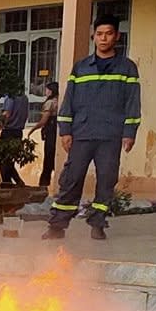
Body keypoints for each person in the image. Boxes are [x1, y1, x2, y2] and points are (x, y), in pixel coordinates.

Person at [45, 20, 140, 243]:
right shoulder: (81, 67)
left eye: (108, 34)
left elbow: (132, 102)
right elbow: (68, 101)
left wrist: (130, 131)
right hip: (82, 132)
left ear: (117, 36)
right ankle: (57, 225)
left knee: (106, 180)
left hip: (111, 134)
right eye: (99, 34)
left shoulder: (127, 68)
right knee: (71, 178)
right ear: (93, 37)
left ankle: (97, 223)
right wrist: (65, 130)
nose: (104, 38)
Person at [0, 85, 32, 187]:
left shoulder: (11, 97)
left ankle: (7, 183)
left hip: (8, 131)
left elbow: (6, 114)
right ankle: (18, 182)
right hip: (18, 132)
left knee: (3, 160)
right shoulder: (25, 98)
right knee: (10, 160)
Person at [33, 80, 61, 194]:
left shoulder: (50, 103)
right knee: (53, 158)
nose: (46, 91)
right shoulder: (60, 100)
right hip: (56, 131)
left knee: (48, 159)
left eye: (47, 89)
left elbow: (44, 120)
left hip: (51, 131)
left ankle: (43, 187)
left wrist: (33, 129)